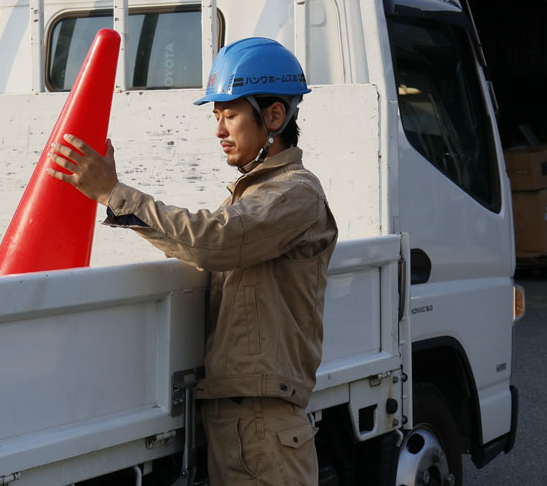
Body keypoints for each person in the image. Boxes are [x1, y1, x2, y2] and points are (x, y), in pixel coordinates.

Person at [46, 37, 337, 486]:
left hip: (263, 425)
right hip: (243, 421)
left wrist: (113, 194)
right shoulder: (254, 195)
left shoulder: (294, 193)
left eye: (231, 115)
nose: (219, 130)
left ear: (274, 116)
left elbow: (212, 241)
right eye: (216, 116)